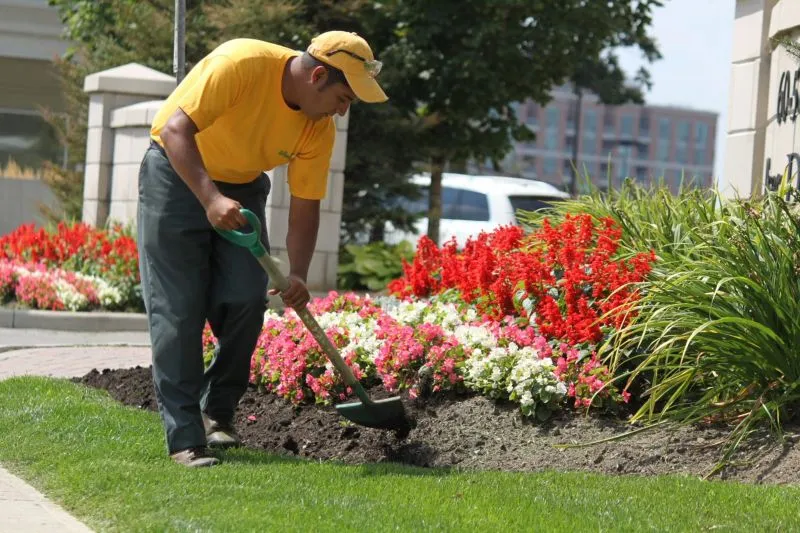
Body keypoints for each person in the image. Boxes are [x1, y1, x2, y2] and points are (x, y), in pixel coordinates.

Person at [137, 31, 388, 467]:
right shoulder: (241, 63)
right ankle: (185, 439)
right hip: (177, 174)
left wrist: (298, 275)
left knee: (246, 297)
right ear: (318, 75)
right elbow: (176, 129)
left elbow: (306, 207)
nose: (343, 110)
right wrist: (211, 198)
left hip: (244, 186)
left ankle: (216, 412)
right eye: (343, 97)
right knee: (177, 310)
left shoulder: (317, 127)